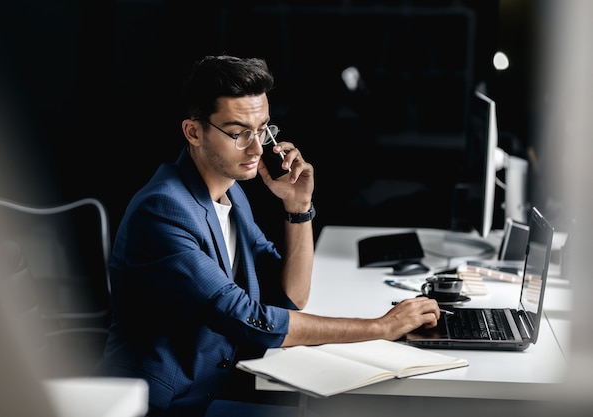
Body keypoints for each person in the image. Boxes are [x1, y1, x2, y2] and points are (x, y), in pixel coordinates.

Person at [95, 55, 441, 417]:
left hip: (217, 386)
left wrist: (299, 208)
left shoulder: (231, 194)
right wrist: (382, 327)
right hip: (165, 402)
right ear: (193, 132)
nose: (258, 148)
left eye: (262, 129)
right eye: (238, 132)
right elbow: (249, 318)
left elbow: (291, 296)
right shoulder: (163, 211)